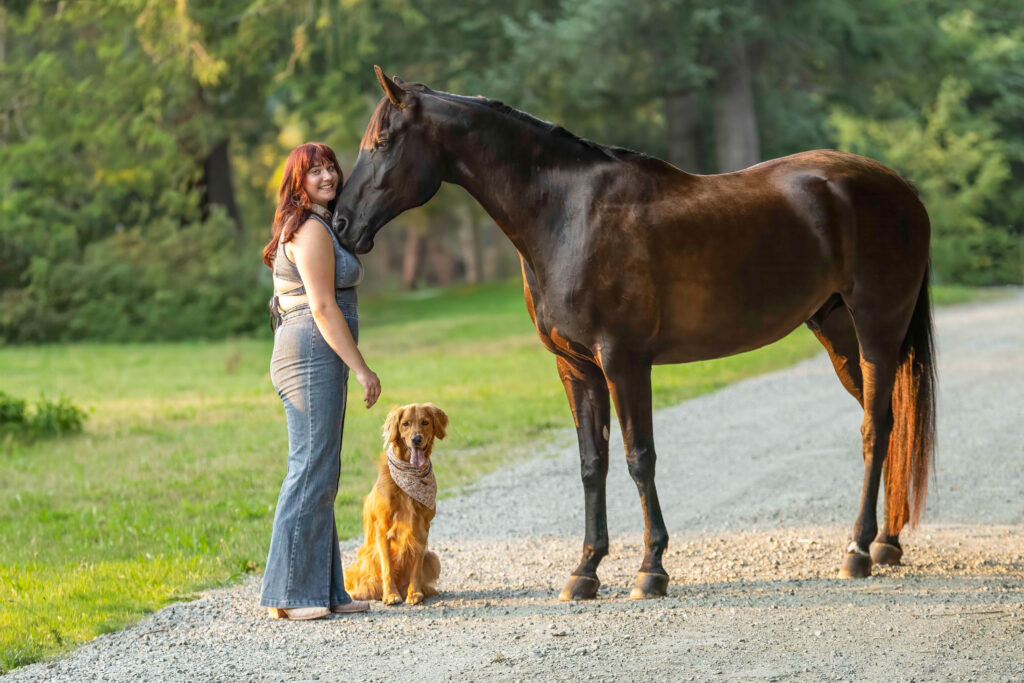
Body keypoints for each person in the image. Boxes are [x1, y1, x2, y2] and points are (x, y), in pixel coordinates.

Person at [259, 142, 381, 620]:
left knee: (321, 470)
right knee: (310, 468)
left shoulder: (322, 224)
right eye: (315, 171)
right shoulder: (309, 229)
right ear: (298, 182)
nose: (328, 176)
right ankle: (289, 597)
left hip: (315, 351)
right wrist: (361, 367)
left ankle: (325, 590)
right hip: (311, 350)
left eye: (331, 167)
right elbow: (324, 307)